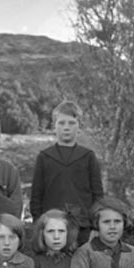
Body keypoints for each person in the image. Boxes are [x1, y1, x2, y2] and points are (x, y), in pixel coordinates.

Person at [30, 100, 104, 245]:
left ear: (79, 126)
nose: (66, 127)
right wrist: (38, 223)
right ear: (54, 126)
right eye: (61, 123)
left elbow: (98, 194)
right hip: (51, 225)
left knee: (81, 259)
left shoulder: (88, 156)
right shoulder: (44, 157)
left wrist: (96, 225)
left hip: (82, 225)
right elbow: (36, 195)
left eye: (71, 123)